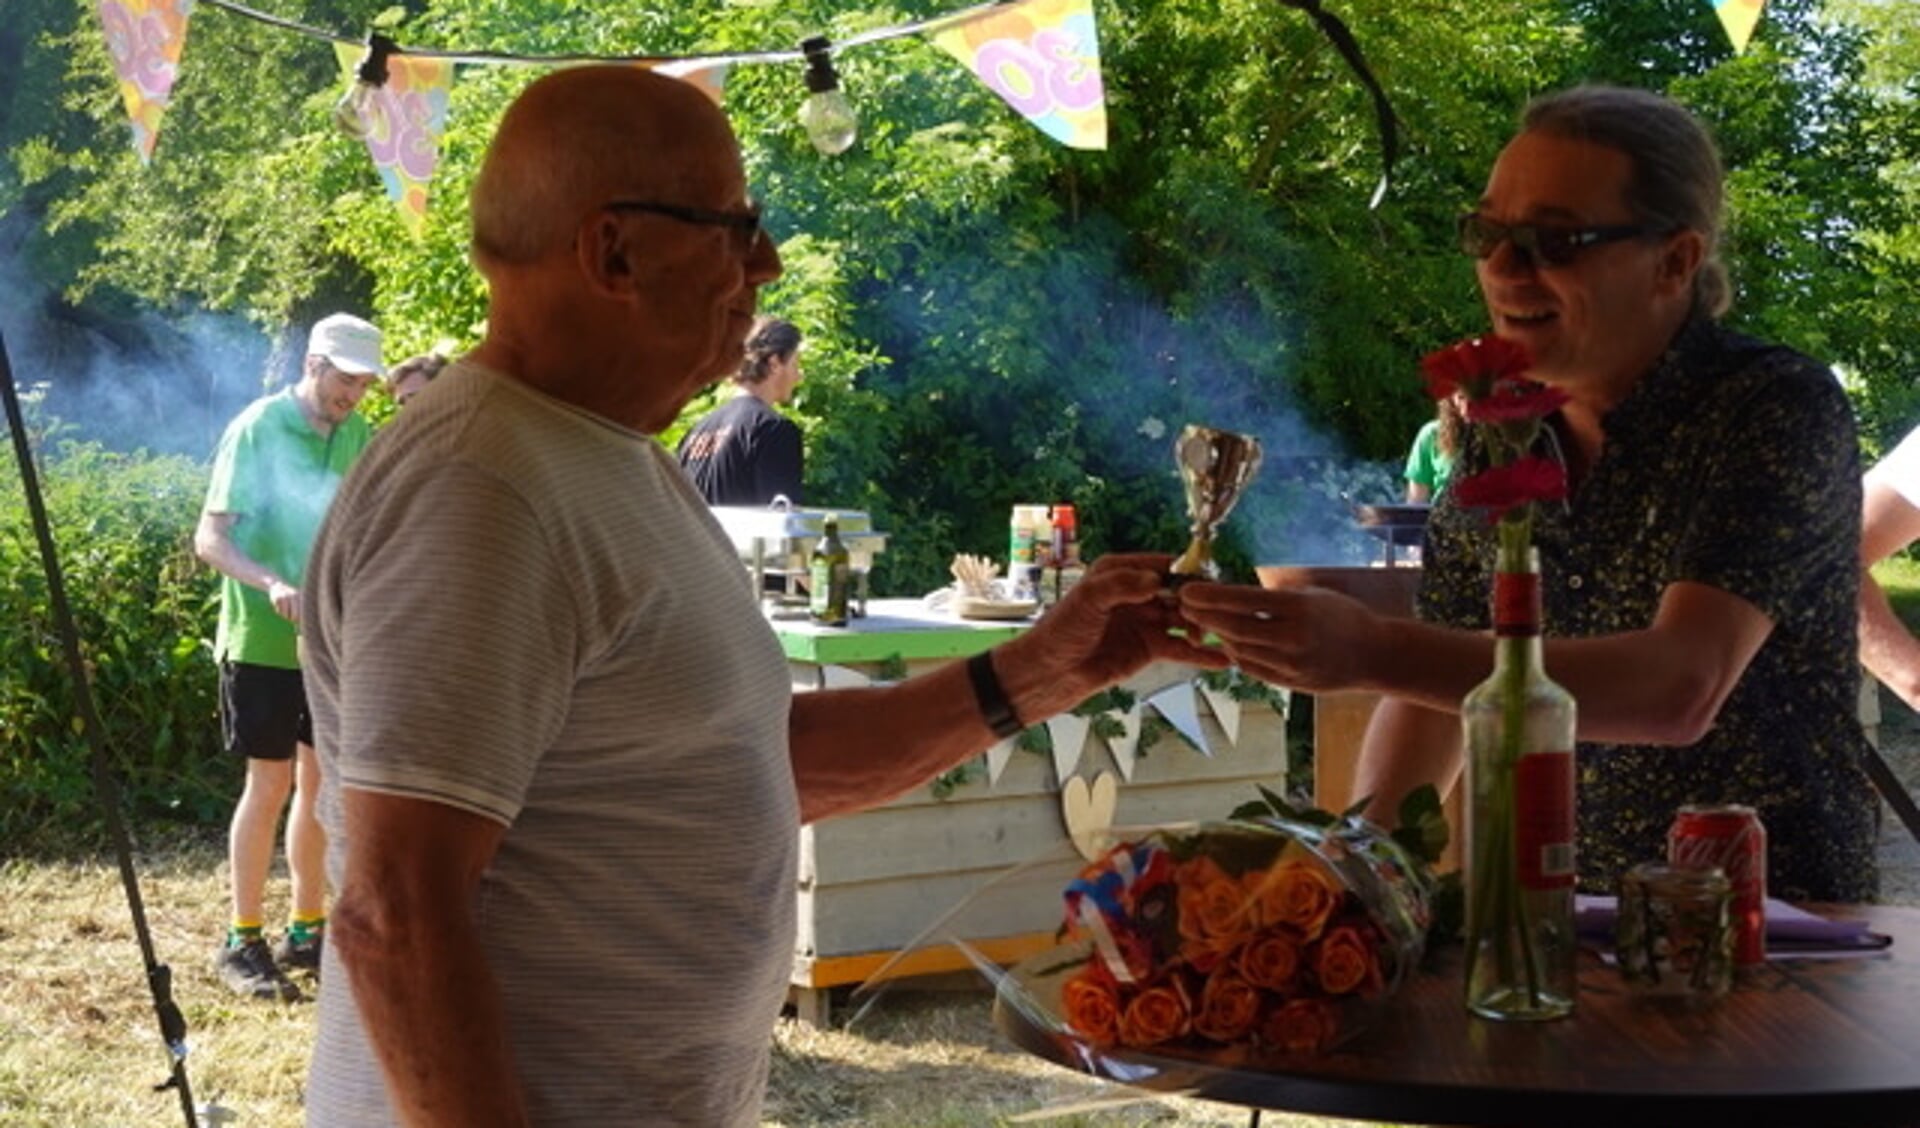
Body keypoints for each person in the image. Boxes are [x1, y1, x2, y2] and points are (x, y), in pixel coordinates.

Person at [299, 66, 1220, 1127]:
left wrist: (1045, 667)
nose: (766, 263)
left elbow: (748, 758)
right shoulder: (484, 490)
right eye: (737, 228)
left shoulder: (603, 456)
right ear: (613, 251)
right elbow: (395, 913)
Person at [1178, 84, 1878, 903]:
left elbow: (1679, 687)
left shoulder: (1771, 407)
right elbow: (1437, 689)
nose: (1503, 268)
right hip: (1563, 925)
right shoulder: (1500, 423)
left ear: (1676, 261)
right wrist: (1357, 883)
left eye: (1556, 239)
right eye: (1488, 233)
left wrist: (1368, 649)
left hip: (1774, 936)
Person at [194, 312, 382, 1000]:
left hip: (330, 644)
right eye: (346, 380)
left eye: (364, 384)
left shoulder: (359, 434)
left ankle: (307, 931)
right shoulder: (257, 428)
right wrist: (272, 581)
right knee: (269, 785)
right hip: (263, 641)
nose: (354, 395)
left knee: (321, 785)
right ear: (313, 363)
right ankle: (242, 938)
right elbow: (210, 539)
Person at [675, 315, 805, 506]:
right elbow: (781, 522)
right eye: (796, 364)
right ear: (774, 363)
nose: (799, 376)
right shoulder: (773, 429)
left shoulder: (695, 433)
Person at [1403, 392, 1464, 502]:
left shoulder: (1503, 436)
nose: (1467, 407)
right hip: (1444, 516)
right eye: (1461, 398)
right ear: (1451, 398)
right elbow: (1415, 504)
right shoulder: (1431, 434)